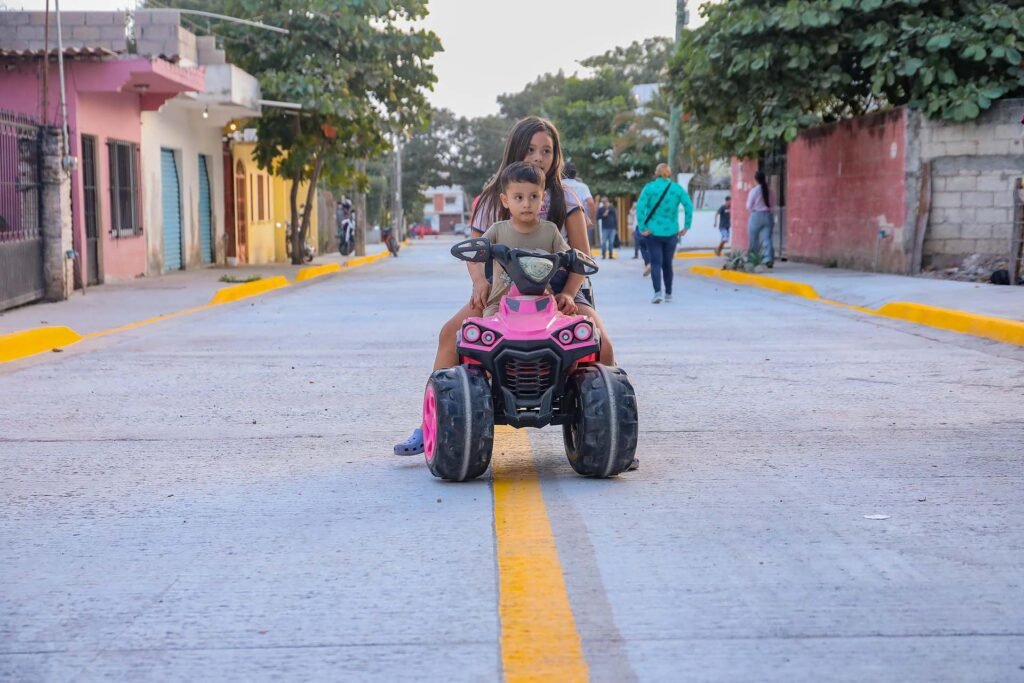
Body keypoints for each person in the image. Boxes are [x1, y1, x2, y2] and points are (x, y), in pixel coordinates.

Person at [394, 116, 617, 456]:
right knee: (450, 335)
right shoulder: (494, 196)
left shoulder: (564, 197)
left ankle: (612, 426)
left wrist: (570, 293)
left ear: (555, 155)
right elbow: (473, 250)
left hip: (560, 291)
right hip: (502, 292)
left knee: (601, 340)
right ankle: (432, 424)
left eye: (546, 150)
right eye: (530, 149)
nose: (538, 157)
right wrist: (480, 281)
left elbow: (581, 256)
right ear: (515, 150)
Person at [474, 162, 575, 317]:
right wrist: (479, 281)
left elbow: (575, 261)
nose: (527, 204)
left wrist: (568, 293)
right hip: (499, 306)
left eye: (534, 196)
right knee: (484, 334)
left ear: (542, 198)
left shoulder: (550, 231)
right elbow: (474, 256)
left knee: (576, 332)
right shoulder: (497, 230)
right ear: (505, 200)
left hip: (544, 305)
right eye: (518, 197)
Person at [636, 163, 693, 304]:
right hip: (671, 232)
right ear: (669, 173)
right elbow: (688, 206)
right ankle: (668, 293)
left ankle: (657, 293)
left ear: (656, 173)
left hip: (653, 232)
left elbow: (640, 207)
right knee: (668, 263)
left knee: (656, 263)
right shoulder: (676, 188)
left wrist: (643, 227)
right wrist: (686, 226)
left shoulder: (649, 188)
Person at [562, 161, 596, 245]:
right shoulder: (582, 187)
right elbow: (591, 203)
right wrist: (591, 219)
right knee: (581, 247)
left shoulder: (558, 185)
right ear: (575, 173)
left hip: (561, 220)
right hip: (580, 220)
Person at [747, 171, 774, 268]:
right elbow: (772, 204)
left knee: (753, 238)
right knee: (767, 239)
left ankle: (754, 259)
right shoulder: (769, 190)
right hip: (768, 215)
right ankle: (768, 259)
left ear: (755, 180)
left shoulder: (754, 191)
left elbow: (748, 205)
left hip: (756, 215)